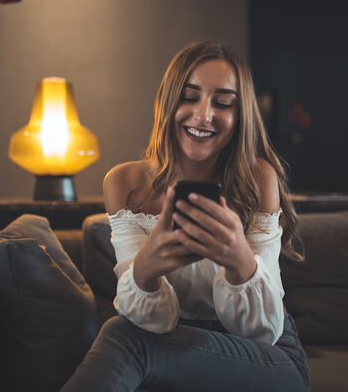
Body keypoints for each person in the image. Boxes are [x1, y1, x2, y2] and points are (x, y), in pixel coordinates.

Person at [61, 40, 310, 392]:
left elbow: (264, 332)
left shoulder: (258, 178)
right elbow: (152, 323)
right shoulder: (125, 184)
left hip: (267, 357)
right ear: (166, 102)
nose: (203, 114)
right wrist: (146, 269)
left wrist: (239, 259)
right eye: (189, 96)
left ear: (239, 116)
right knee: (126, 336)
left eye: (223, 102)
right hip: (173, 344)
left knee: (122, 338)